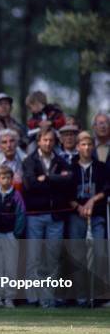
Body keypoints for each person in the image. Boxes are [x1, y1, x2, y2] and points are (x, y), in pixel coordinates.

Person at [22, 127, 72, 307]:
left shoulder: (60, 160)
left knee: (53, 258)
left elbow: (69, 181)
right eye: (45, 140)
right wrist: (56, 179)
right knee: (33, 257)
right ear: (39, 141)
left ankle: (48, 299)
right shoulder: (29, 161)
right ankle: (32, 298)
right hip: (35, 215)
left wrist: (48, 178)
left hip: (55, 216)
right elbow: (31, 185)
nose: (48, 143)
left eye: (51, 140)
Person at [66, 131, 109, 306]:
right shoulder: (70, 167)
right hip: (76, 216)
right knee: (78, 256)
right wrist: (79, 206)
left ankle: (98, 296)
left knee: (99, 253)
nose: (87, 148)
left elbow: (107, 188)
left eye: (90, 144)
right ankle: (81, 297)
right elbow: (65, 193)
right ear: (77, 147)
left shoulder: (101, 167)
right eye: (83, 144)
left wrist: (92, 200)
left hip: (96, 216)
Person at [0, 166, 26, 309]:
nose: (6, 180)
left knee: (10, 266)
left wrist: (16, 233)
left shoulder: (16, 196)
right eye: (3, 178)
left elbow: (21, 216)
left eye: (9, 178)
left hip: (10, 235)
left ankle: (9, 297)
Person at [0, 129, 25, 194]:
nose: (8, 145)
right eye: (4, 142)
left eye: (12, 141)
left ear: (17, 143)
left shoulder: (25, 160)